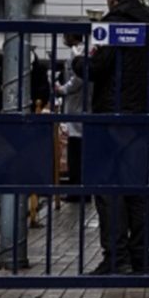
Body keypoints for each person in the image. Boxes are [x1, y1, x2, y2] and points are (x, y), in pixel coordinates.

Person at [76, 0, 149, 275]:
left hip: (110, 117)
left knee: (108, 190)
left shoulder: (112, 22)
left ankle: (116, 258)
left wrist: (78, 60)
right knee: (136, 189)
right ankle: (142, 258)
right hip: (141, 118)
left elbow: (98, 67)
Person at [55, 34, 87, 198]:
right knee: (76, 149)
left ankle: (77, 190)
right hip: (78, 107)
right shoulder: (81, 50)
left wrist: (63, 89)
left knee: (76, 151)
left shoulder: (79, 52)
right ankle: (79, 188)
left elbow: (78, 78)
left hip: (77, 108)